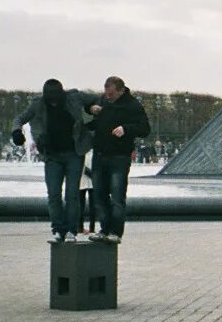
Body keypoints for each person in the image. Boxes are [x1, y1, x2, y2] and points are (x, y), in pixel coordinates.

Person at [11, 78, 94, 243]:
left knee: (72, 195)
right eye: (50, 99)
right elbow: (19, 119)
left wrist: (91, 109)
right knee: (54, 194)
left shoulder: (75, 97)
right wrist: (16, 132)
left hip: (74, 153)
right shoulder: (38, 104)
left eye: (56, 98)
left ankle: (71, 231)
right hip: (52, 155)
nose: (53, 102)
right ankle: (58, 230)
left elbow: (98, 99)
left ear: (61, 94)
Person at [86, 77, 151, 245]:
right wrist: (89, 109)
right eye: (106, 94)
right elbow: (93, 121)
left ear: (121, 90)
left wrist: (126, 129)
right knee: (99, 195)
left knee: (117, 196)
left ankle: (115, 232)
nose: (108, 97)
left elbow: (145, 129)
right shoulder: (103, 101)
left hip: (119, 157)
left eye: (111, 94)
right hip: (100, 155)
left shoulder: (133, 105)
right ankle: (104, 230)